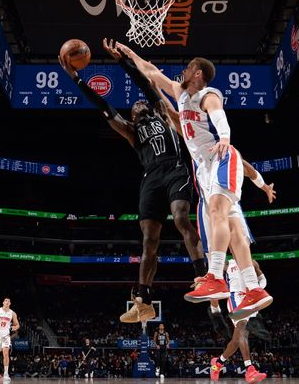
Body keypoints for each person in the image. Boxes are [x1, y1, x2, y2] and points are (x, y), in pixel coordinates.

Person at [116, 42, 273, 319]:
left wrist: (224, 137)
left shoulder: (207, 94)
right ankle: (253, 288)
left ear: (198, 73)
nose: (183, 70)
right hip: (205, 170)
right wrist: (129, 55)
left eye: (188, 67)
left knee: (215, 213)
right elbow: (152, 74)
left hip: (220, 158)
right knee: (232, 228)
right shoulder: (180, 101)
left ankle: (214, 276)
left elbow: (219, 116)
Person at [60, 39, 209, 327]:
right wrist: (77, 79)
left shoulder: (163, 115)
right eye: (134, 106)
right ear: (131, 115)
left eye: (142, 103)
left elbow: (145, 85)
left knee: (180, 218)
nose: (138, 104)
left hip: (175, 169)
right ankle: (143, 302)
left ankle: (202, 275)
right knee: (148, 243)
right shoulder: (129, 131)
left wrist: (122, 61)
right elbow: (102, 104)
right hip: (151, 178)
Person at [210, 259, 268, 384]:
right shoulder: (228, 263)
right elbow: (214, 275)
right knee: (242, 329)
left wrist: (258, 289)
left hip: (250, 298)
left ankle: (217, 363)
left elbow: (263, 279)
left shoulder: (252, 262)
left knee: (237, 340)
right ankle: (250, 369)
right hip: (234, 298)